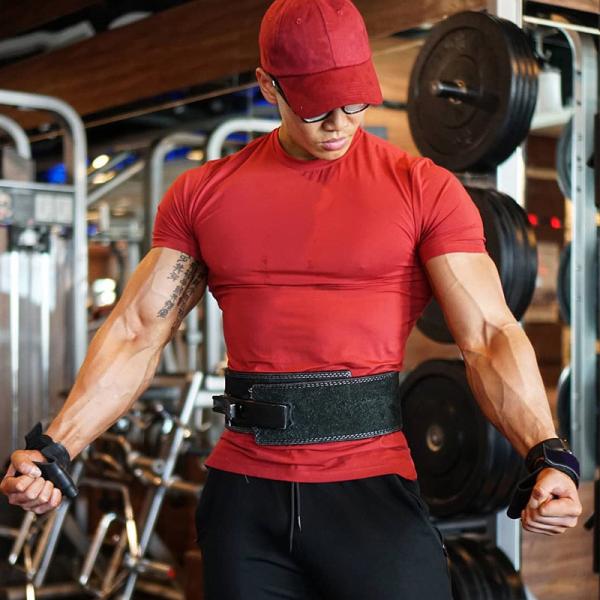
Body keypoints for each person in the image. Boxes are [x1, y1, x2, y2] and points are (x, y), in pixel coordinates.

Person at [1, 1, 583, 598]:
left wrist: (546, 454)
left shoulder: (423, 189)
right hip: (245, 503)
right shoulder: (204, 194)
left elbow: (488, 334)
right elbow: (136, 332)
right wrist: (56, 449)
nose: (339, 123)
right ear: (268, 85)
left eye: (354, 102)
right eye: (316, 107)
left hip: (372, 494)